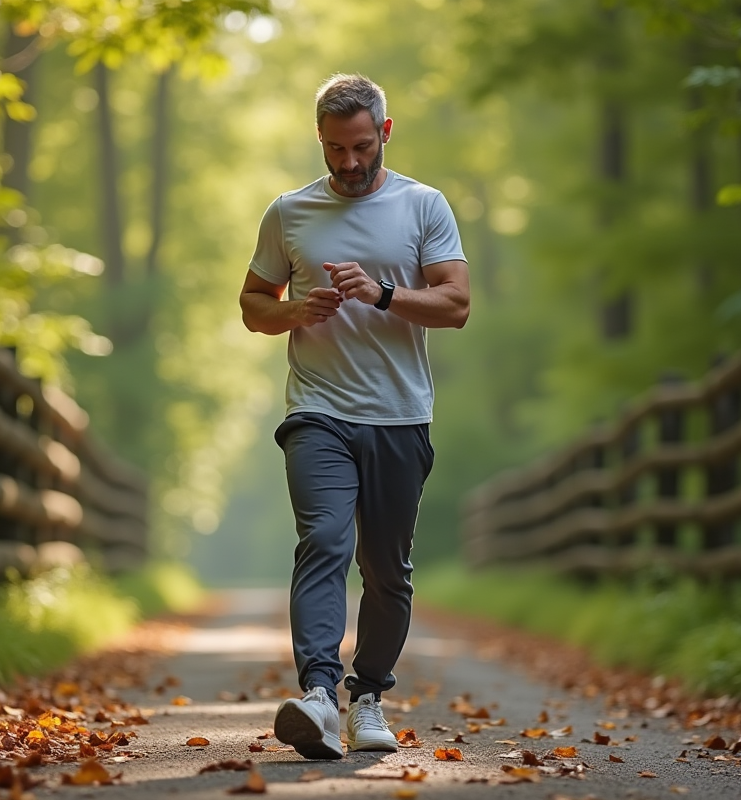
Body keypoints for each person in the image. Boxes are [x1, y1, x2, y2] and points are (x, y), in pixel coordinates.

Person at [239, 73, 470, 760]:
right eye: (334, 149)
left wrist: (382, 293)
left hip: (400, 415)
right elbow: (254, 303)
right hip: (318, 410)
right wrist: (292, 311)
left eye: (361, 146)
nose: (347, 163)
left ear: (385, 134)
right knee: (325, 541)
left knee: (387, 569)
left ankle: (367, 698)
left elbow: (456, 305)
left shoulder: (424, 206)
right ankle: (316, 694)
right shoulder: (289, 213)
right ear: (320, 139)